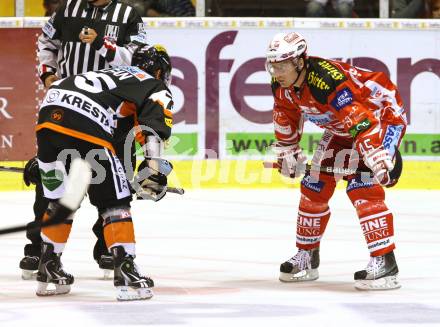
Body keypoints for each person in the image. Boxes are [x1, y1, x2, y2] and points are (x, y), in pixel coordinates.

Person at [265, 32, 407, 290]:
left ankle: (385, 262)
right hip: (343, 127)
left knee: (363, 187)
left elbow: (360, 119)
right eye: (272, 64)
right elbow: (285, 116)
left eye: (282, 64)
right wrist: (288, 149)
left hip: (379, 117)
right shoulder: (281, 85)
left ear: (299, 62)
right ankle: (307, 257)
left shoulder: (326, 80)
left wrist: (374, 153)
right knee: (313, 186)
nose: (276, 71)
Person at [20, 0, 149, 280]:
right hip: (68, 108)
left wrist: (103, 44)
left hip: (113, 111)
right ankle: (40, 248)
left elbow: (135, 59)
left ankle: (108, 249)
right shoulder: (67, 9)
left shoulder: (128, 16)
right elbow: (46, 42)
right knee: (52, 184)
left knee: (117, 182)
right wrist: (48, 73)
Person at [34, 44, 173, 300]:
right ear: (158, 70)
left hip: (47, 120)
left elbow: (64, 116)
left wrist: (40, 157)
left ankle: (48, 264)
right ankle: (125, 268)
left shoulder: (110, 78)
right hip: (85, 119)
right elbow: (151, 127)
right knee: (114, 202)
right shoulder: (152, 84)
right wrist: (153, 167)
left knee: (60, 200)